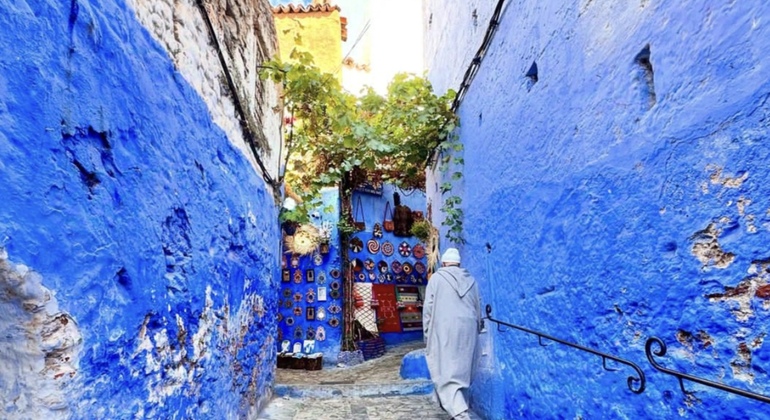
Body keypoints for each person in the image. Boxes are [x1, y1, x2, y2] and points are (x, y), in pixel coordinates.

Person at [422, 248, 482, 420]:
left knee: (445, 367)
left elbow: (428, 308)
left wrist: (427, 333)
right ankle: (456, 405)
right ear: (458, 263)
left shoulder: (437, 278)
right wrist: (477, 328)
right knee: (462, 368)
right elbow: (478, 306)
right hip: (468, 328)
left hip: (445, 327)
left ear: (444, 263)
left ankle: (460, 412)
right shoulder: (472, 280)